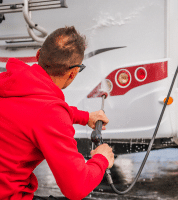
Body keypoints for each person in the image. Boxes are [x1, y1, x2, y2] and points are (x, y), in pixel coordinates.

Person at [0, 26, 114, 200]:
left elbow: (33, 110)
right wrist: (101, 159)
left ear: (38, 55)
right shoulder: (50, 113)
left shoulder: (8, 82)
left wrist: (85, 117)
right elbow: (77, 188)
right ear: (73, 73)